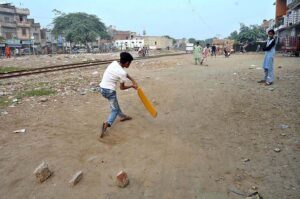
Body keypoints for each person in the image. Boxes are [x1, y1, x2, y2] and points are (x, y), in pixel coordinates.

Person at [99, 52, 138, 138]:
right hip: (109, 91)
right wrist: (132, 86)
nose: (130, 65)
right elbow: (122, 88)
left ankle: (123, 116)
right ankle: (107, 124)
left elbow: (125, 73)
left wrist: (133, 80)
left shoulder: (114, 63)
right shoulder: (122, 73)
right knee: (114, 110)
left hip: (102, 88)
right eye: (130, 63)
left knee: (115, 105)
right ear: (127, 63)